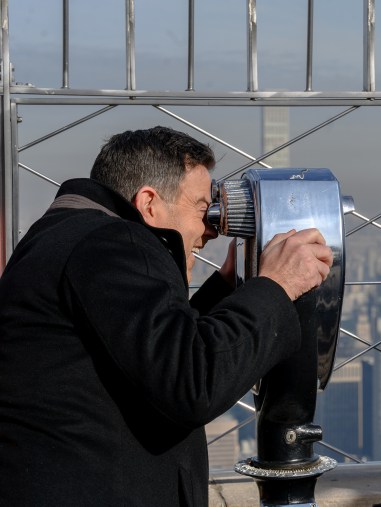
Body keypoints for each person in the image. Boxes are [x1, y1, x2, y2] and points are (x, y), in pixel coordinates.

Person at [0, 126, 334, 506]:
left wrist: (231, 285)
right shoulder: (113, 243)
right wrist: (277, 285)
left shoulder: (69, 237)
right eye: (200, 206)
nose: (212, 227)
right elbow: (191, 382)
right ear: (149, 203)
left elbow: (151, 351)